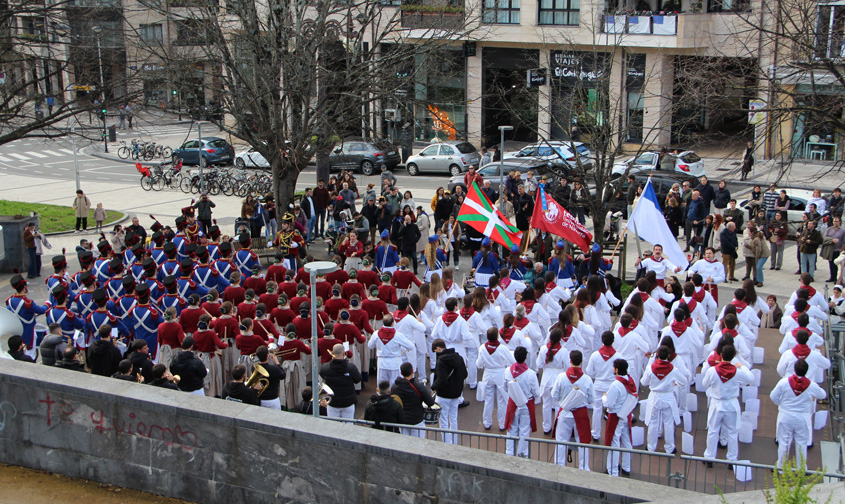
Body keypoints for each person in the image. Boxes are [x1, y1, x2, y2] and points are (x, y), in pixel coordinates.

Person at [770, 359, 827, 469]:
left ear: (794, 370)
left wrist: (781, 405)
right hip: (802, 416)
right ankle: (801, 469)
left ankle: (781, 468)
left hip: (786, 414)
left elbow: (773, 396)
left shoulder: (784, 382)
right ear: (806, 371)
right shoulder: (812, 385)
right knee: (801, 444)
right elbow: (823, 395)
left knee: (784, 442)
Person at [701, 345, 754, 463]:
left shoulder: (712, 370)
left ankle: (709, 457)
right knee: (732, 432)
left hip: (716, 403)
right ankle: (732, 459)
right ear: (734, 356)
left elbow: (704, 384)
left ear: (721, 356)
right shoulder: (738, 372)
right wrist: (743, 367)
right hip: (731, 403)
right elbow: (751, 379)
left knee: (713, 431)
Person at [551, 349, 594, 470]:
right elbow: (591, 399)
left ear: (570, 361)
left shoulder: (561, 377)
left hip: (565, 412)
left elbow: (554, 395)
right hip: (580, 413)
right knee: (583, 443)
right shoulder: (587, 379)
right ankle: (584, 469)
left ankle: (559, 468)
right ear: (581, 361)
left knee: (561, 442)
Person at [640, 346, 687, 454]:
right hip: (668, 397)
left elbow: (643, 382)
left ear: (657, 355)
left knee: (653, 422)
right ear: (669, 356)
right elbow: (684, 381)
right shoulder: (673, 370)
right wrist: (675, 383)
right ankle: (670, 448)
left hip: (655, 396)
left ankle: (651, 447)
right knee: (668, 422)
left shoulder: (650, 368)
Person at [603, 358, 639, 477]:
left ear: (617, 370)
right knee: (627, 440)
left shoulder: (616, 385)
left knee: (614, 442)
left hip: (615, 415)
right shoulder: (630, 380)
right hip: (626, 414)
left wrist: (604, 397)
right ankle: (626, 466)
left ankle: (612, 470)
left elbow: (609, 403)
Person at [503, 346, 540, 458]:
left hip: (513, 402)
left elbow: (505, 387)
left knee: (511, 428)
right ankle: (522, 454)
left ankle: (509, 453)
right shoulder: (531, 374)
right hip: (526, 404)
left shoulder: (507, 371)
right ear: (526, 357)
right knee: (524, 430)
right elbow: (536, 392)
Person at [431, 338, 467, 444]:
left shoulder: (441, 361)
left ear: (438, 349)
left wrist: (433, 387)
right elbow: (465, 374)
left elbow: (442, 380)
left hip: (443, 394)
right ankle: (454, 442)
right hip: (456, 393)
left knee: (443, 421)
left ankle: (446, 443)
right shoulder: (459, 358)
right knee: (453, 419)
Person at [368, 314, 415, 386]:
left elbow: (370, 346)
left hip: (382, 363)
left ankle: (382, 397)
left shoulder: (376, 334)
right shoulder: (398, 335)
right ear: (393, 323)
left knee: (382, 385)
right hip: (394, 363)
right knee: (395, 385)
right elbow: (411, 346)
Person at [393, 362, 436, 438]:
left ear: (401, 373)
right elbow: (430, 402)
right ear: (412, 371)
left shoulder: (395, 387)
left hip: (402, 421)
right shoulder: (419, 386)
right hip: (417, 420)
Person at [320, 343, 362, 419]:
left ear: (332, 353)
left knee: (333, 426)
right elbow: (358, 379)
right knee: (348, 426)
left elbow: (322, 375)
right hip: (348, 402)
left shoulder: (325, 368)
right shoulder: (351, 368)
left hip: (333, 402)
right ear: (344, 353)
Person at [824, 217, 845, 282]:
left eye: (837, 221)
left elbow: (844, 241)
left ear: (839, 222)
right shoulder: (829, 229)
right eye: (834, 221)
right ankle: (832, 277)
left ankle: (836, 278)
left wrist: (842, 249)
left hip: (838, 249)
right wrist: (831, 240)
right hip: (830, 249)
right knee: (831, 263)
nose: (835, 223)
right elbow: (825, 238)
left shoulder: (842, 231)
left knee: (836, 264)